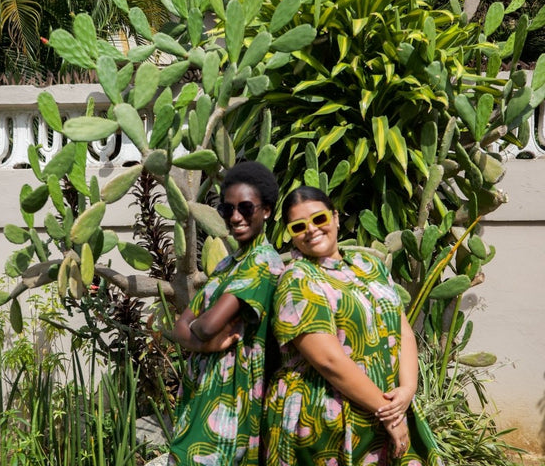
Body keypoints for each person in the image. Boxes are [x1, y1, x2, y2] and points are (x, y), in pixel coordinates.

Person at [263, 186, 443, 465]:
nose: (311, 230)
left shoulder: (369, 265)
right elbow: (328, 361)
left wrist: (407, 390)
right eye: (299, 226)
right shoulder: (297, 279)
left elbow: (402, 329)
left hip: (386, 406)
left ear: (335, 217)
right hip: (325, 418)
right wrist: (389, 415)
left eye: (319, 219)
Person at [168, 161, 285, 466]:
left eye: (245, 208)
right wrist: (205, 344)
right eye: (227, 209)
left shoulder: (263, 262)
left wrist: (197, 331)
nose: (235, 217)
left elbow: (205, 326)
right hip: (201, 387)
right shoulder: (227, 264)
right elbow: (180, 328)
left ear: (266, 210)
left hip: (230, 395)